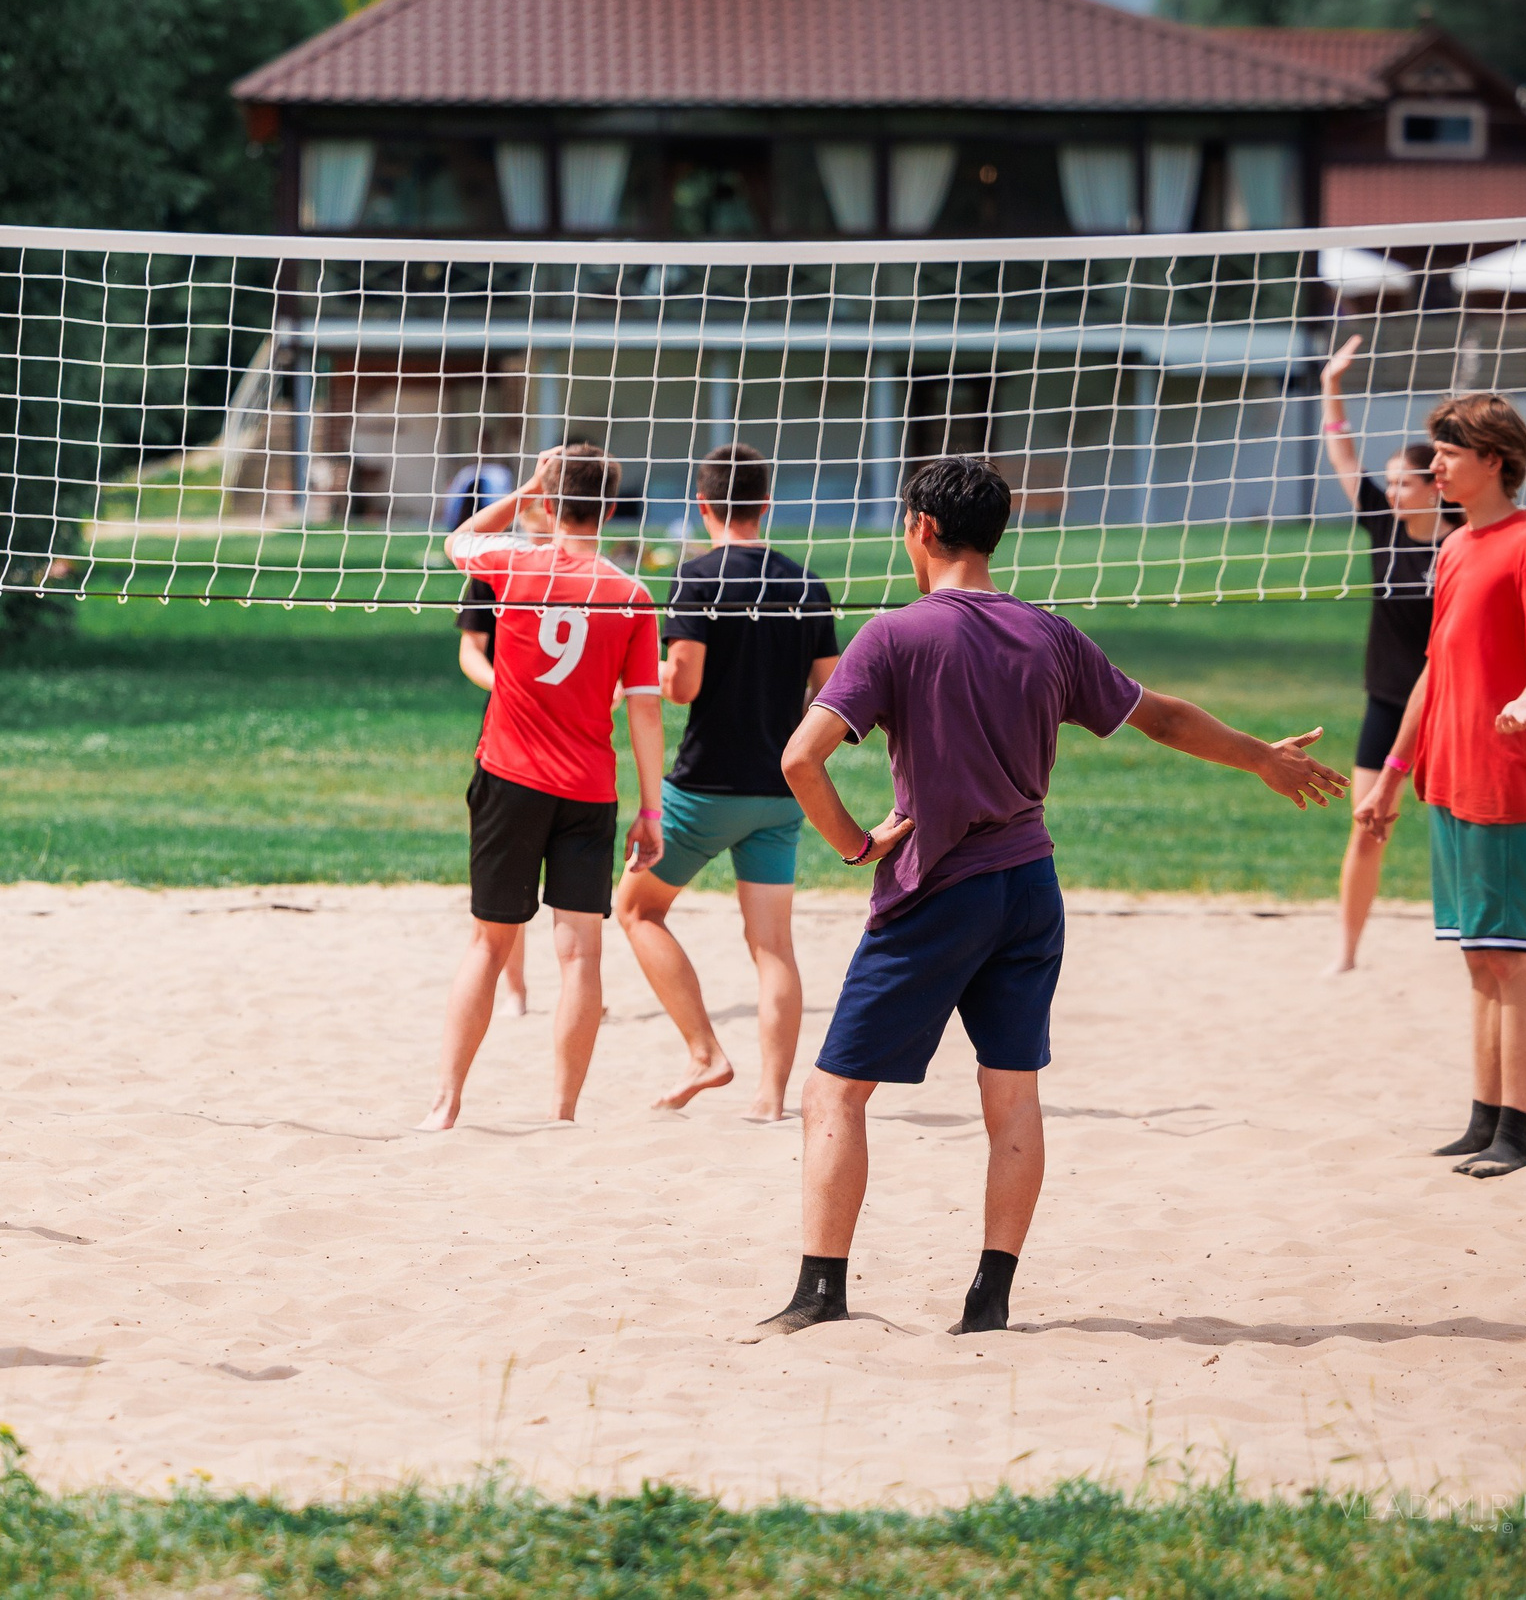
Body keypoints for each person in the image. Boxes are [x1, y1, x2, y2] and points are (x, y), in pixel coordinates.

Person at [752, 457, 1346, 1339]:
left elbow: (800, 758)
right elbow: (1165, 716)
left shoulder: (895, 633)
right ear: (996, 532)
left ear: (917, 528)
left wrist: (853, 844)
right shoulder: (1048, 633)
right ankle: (989, 1300)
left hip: (938, 890)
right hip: (1030, 887)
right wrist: (1261, 754)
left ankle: (821, 1293)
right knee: (1013, 1091)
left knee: (834, 1093)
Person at [1356, 395, 1526, 1180]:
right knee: (1477, 953)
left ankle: (1515, 1131)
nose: (1436, 465)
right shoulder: (1453, 547)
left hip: (1501, 774)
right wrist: (1392, 775)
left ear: (1493, 459)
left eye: (1449, 452)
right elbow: (1433, 668)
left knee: (1510, 955)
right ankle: (1483, 1118)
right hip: (1445, 774)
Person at [420, 443, 664, 1131]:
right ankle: (562, 1112)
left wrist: (527, 484)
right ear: (612, 509)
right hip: (589, 789)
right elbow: (644, 708)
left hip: (510, 776)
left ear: (548, 505)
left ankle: (447, 1103)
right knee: (581, 952)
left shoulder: (514, 563)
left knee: (487, 944)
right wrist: (652, 808)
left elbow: (459, 539)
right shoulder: (632, 594)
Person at [615, 443, 837, 1122]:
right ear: (767, 504)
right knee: (773, 947)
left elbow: (682, 686)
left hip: (705, 788)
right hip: (781, 790)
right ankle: (770, 1099)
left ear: (703, 505)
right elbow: (831, 693)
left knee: (636, 909)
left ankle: (706, 1051)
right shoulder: (808, 584)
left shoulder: (697, 578)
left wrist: (647, 664)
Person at [1317, 336, 1455, 973]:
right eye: (1391, 481)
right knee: (1369, 825)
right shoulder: (1381, 521)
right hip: (1387, 698)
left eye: (1406, 482)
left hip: (1450, 702)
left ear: (1436, 486)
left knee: (1459, 827)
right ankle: (1345, 954)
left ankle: (1474, 941)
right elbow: (1342, 455)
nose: (1393, 490)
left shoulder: (1463, 543)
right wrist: (1332, 386)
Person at [457, 576, 530, 1018]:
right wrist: (511, 689)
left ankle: (578, 996)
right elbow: (471, 651)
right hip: (509, 741)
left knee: (577, 895)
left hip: (577, 739)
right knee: (507, 881)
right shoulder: (492, 572)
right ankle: (516, 989)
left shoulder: (593, 571)